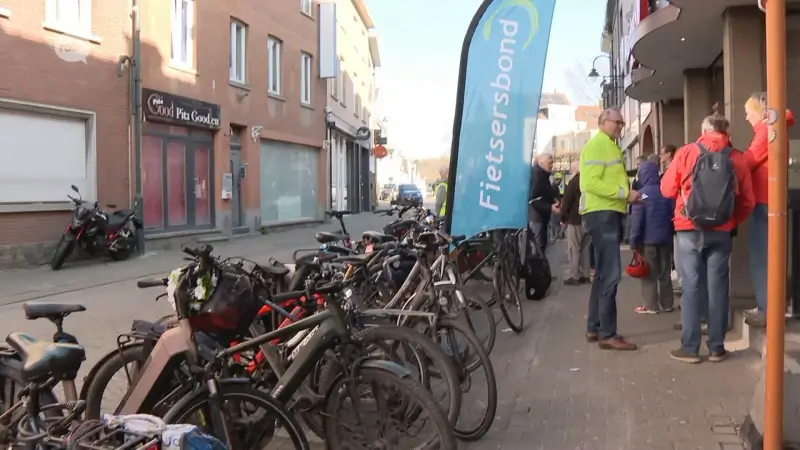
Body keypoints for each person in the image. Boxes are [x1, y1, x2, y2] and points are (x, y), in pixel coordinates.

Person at [661, 114, 755, 364]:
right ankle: (717, 347)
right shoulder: (737, 158)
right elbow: (748, 201)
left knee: (691, 287)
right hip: (722, 231)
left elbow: (666, 189)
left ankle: (691, 348)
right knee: (718, 287)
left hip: (689, 228)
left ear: (704, 130)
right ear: (727, 131)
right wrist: (731, 220)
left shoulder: (687, 152)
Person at [580, 107, 639, 351]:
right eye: (618, 122)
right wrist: (626, 194)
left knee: (604, 274)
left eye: (623, 123)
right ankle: (608, 333)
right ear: (604, 122)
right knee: (611, 274)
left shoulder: (608, 145)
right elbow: (590, 182)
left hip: (603, 213)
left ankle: (595, 327)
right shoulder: (599, 145)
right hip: (603, 214)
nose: (621, 126)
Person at [741, 92, 795, 328]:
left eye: (748, 112)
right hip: (772, 199)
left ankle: (768, 309)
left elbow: (747, 161)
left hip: (765, 201)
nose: (745, 117)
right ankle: (768, 306)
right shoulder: (777, 129)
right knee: (768, 255)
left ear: (760, 110)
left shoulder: (765, 132)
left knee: (762, 257)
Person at [628, 160, 675, 314]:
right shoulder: (666, 192)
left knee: (649, 274)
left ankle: (651, 306)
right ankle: (667, 304)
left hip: (647, 241)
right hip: (665, 239)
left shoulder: (640, 195)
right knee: (665, 273)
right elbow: (672, 214)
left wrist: (633, 241)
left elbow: (637, 221)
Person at [560, 161, 590, 285]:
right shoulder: (589, 180)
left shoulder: (575, 181)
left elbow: (566, 201)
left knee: (574, 248)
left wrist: (562, 217)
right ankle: (586, 275)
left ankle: (575, 275)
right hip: (588, 218)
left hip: (575, 219)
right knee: (586, 249)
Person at [529, 153, 558, 253]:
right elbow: (533, 199)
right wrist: (550, 207)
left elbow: (543, 193)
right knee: (538, 245)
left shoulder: (543, 175)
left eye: (552, 163)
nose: (552, 165)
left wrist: (553, 199)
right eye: (550, 163)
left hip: (541, 216)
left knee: (541, 244)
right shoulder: (537, 174)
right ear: (541, 162)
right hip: (536, 216)